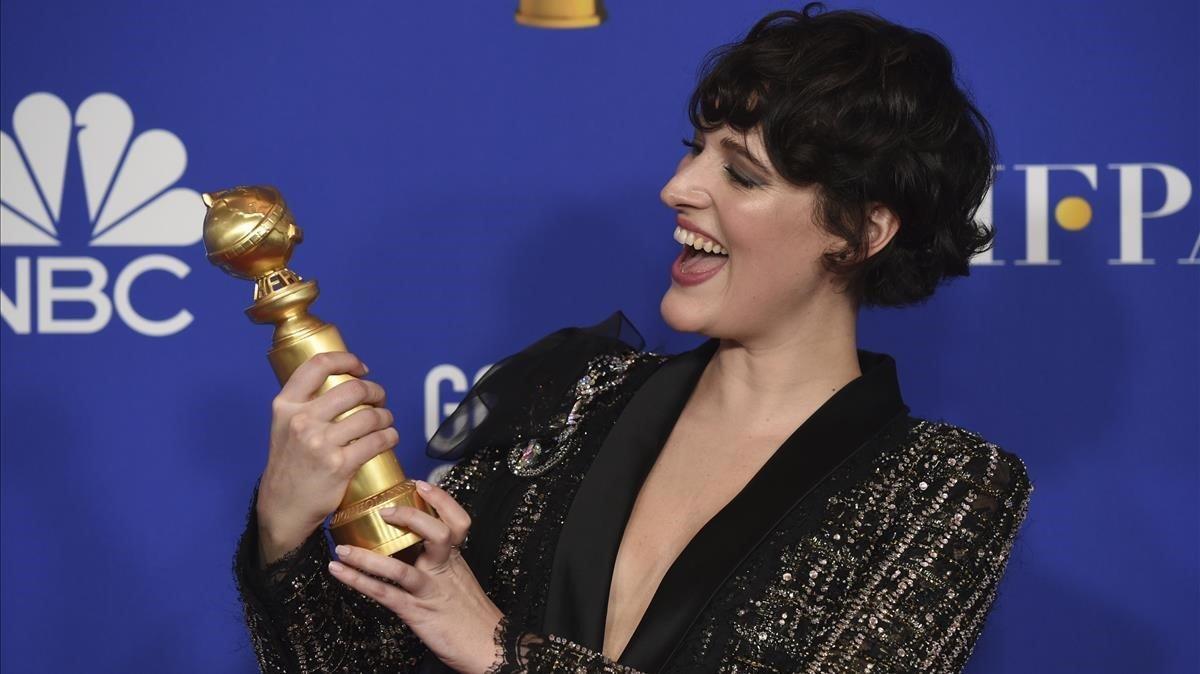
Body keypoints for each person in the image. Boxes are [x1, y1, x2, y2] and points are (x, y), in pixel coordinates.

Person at [232, 3, 1034, 672]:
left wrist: (504, 649)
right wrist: (285, 534)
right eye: (695, 153)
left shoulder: (948, 489)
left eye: (743, 175)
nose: (678, 188)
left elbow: (478, 639)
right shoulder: (577, 397)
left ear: (861, 232)